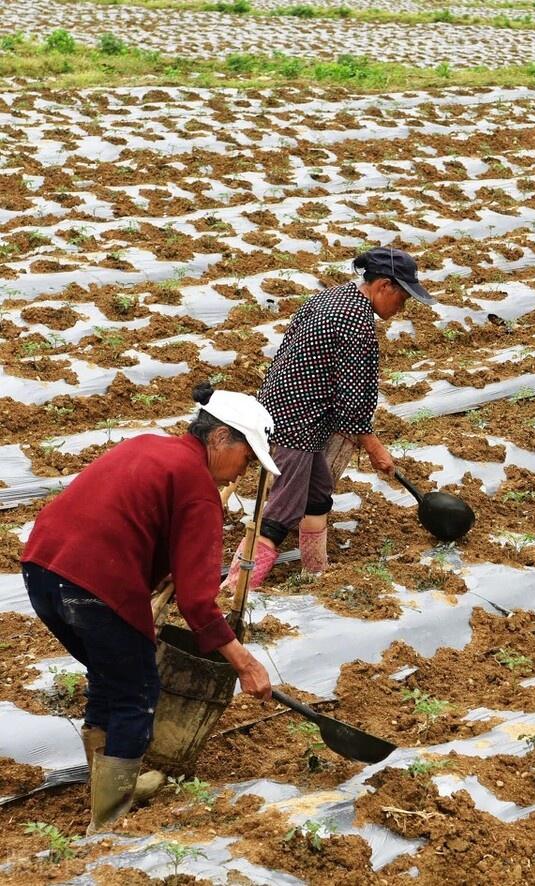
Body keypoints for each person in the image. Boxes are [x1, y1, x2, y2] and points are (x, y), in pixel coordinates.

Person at [20, 384, 276, 833]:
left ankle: (110, 783)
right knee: (137, 692)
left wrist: (158, 569)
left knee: (110, 675)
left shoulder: (148, 445)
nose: (242, 471)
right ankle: (109, 822)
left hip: (42, 570)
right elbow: (199, 603)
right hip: (94, 587)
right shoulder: (197, 488)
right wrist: (245, 663)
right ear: (219, 438)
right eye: (247, 458)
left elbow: (123, 518)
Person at [224, 246, 435, 589]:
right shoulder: (357, 324)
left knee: (318, 493)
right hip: (297, 422)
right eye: (403, 298)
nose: (402, 307)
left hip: (279, 406)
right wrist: (374, 447)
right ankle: (236, 589)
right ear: (384, 286)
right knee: (281, 512)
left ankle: (315, 572)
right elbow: (352, 400)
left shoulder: (332, 298)